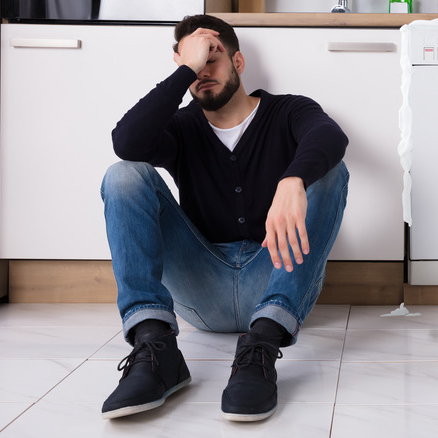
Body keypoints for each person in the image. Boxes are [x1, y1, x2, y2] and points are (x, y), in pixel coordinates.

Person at [99, 14, 349, 422]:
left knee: (329, 170)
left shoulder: (287, 111)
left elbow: (331, 137)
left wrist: (293, 179)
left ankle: (262, 348)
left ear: (239, 62)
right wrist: (185, 69)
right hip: (202, 288)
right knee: (123, 174)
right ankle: (155, 348)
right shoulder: (180, 128)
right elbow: (127, 143)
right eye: (193, 65)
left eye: (211, 59)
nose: (202, 73)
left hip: (274, 277)